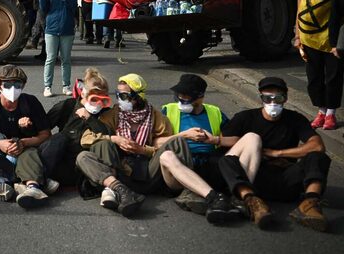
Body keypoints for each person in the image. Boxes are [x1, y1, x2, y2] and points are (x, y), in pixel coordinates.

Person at [218, 77, 331, 231]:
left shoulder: (295, 119)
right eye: (267, 97)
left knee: (318, 157)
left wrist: (278, 153)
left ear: (285, 98)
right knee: (227, 160)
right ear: (261, 98)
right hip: (256, 177)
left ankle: (310, 204)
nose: (273, 102)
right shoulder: (245, 118)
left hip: (286, 178)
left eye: (277, 97)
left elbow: (317, 146)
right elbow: (226, 146)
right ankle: (251, 201)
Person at [76, 73, 177, 217]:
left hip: (147, 171)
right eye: (117, 95)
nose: (119, 100)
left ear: (137, 97)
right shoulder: (113, 114)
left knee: (173, 146)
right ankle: (122, 191)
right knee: (83, 156)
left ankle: (118, 191)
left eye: (123, 96)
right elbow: (86, 138)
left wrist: (143, 149)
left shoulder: (156, 118)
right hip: (121, 170)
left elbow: (166, 149)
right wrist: (115, 139)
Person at [0, 65, 62, 209]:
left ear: (23, 86)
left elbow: (45, 135)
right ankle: (31, 181)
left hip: (25, 153)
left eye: (18, 85)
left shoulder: (30, 103)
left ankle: (10, 183)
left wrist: (23, 143)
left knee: (57, 140)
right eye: (7, 85)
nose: (13, 89)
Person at [158, 74, 239, 224]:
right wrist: (184, 135)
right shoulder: (168, 110)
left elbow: (236, 141)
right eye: (179, 96)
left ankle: (233, 197)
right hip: (181, 166)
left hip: (209, 166)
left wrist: (214, 140)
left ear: (200, 97)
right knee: (166, 156)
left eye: (186, 98)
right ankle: (213, 197)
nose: (181, 101)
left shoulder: (215, 112)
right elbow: (156, 143)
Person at [294, 0, 342, 130]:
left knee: (333, 78)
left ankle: (331, 114)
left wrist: (340, 42)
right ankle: (321, 111)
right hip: (309, 39)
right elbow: (299, 12)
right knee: (314, 78)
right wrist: (297, 36)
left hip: (331, 41)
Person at [40, 0, 76, 98]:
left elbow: (73, 8)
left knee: (66, 59)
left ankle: (66, 86)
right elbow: (43, 8)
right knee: (50, 59)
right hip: (52, 29)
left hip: (67, 30)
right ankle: (47, 86)